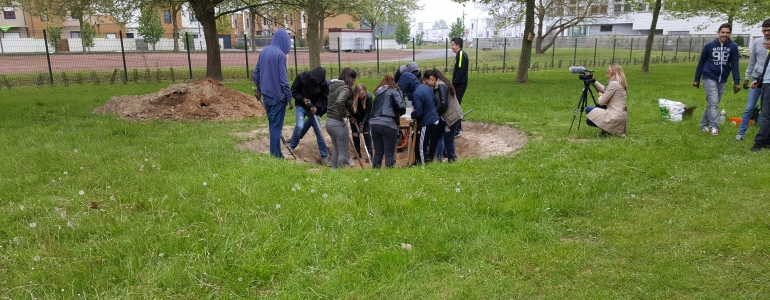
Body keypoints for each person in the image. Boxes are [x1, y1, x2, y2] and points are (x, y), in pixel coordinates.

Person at [694, 23, 741, 136]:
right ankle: (714, 127)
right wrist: (697, 79)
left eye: (727, 33)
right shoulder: (709, 45)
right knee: (714, 102)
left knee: (713, 103)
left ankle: (703, 124)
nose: (725, 34)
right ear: (718, 32)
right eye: (723, 32)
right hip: (709, 76)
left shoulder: (733, 47)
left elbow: (734, 65)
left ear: (730, 33)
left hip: (723, 78)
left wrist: (737, 81)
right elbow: (701, 62)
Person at [253, 29, 292, 158]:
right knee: (276, 128)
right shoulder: (280, 55)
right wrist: (289, 97)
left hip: (266, 97)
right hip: (277, 98)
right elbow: (283, 80)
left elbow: (256, 73)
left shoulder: (263, 52)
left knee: (272, 126)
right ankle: (275, 156)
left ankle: (277, 153)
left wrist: (259, 89)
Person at [288, 67, 331, 165]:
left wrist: (316, 107)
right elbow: (294, 91)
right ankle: (291, 147)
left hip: (313, 110)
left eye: (319, 80)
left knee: (319, 132)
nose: (317, 81)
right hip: (301, 107)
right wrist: (303, 99)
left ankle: (324, 157)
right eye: (316, 79)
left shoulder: (324, 84)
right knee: (299, 126)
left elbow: (324, 99)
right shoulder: (302, 77)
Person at [737, 19, 770, 141]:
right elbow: (752, 62)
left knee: (766, 111)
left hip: (769, 81)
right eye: (764, 31)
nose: (766, 33)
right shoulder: (757, 42)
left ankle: (764, 136)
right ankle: (741, 133)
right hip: (757, 79)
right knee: (750, 107)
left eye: (769, 31)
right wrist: (747, 78)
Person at [398, 72, 442, 164]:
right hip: (433, 119)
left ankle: (423, 168)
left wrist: (412, 115)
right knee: (418, 143)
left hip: (427, 122)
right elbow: (435, 100)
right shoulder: (425, 87)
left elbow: (419, 112)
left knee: (422, 147)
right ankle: (418, 162)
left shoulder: (416, 94)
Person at [423, 68, 463, 162]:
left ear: (432, 78)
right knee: (434, 137)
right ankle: (429, 159)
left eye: (427, 82)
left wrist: (435, 114)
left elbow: (444, 104)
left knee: (448, 141)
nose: (428, 85)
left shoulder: (441, 85)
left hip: (451, 118)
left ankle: (452, 160)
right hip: (445, 117)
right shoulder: (439, 84)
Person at [369, 75, 406, 168]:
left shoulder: (378, 94)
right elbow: (401, 106)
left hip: (374, 123)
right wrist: (400, 113)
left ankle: (375, 174)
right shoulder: (394, 90)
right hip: (388, 123)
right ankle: (389, 175)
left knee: (378, 152)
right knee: (389, 153)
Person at [325, 68, 357, 169]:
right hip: (338, 123)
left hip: (329, 122)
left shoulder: (333, 87)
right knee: (343, 151)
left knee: (337, 150)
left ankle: (334, 174)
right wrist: (345, 115)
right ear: (350, 78)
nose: (353, 83)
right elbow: (340, 101)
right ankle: (340, 175)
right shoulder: (345, 88)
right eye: (354, 80)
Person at [584, 63, 628, 137]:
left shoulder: (613, 84)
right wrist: (594, 81)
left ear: (613, 74)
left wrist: (601, 96)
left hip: (614, 115)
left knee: (588, 109)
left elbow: (601, 102)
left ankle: (609, 130)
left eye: (607, 73)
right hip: (621, 116)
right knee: (589, 121)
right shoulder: (620, 83)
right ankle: (609, 130)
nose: (606, 75)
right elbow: (606, 90)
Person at [749, 35, 770, 151]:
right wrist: (759, 80)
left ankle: (759, 141)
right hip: (766, 83)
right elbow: (767, 68)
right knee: (766, 114)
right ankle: (767, 140)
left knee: (767, 116)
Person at [349, 83, 373, 161]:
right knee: (355, 134)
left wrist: (362, 125)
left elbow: (368, 113)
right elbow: (348, 109)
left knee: (366, 132)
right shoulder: (351, 97)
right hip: (354, 116)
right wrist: (351, 117)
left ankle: (369, 154)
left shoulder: (368, 97)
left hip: (365, 116)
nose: (362, 96)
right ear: (356, 94)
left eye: (363, 94)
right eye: (360, 95)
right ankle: (357, 152)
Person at [451, 37, 469, 137]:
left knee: (456, 106)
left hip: (460, 85)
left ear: (458, 45)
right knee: (456, 105)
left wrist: (454, 84)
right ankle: (458, 128)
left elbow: (460, 71)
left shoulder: (461, 55)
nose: (451, 47)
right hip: (459, 84)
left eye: (453, 45)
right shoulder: (459, 55)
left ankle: (458, 129)